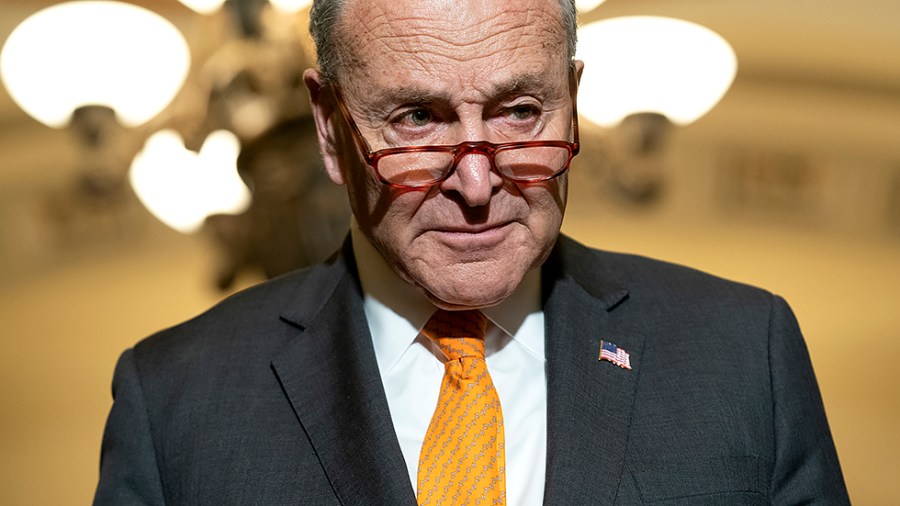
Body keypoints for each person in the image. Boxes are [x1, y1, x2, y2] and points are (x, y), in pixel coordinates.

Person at [93, 0, 850, 504]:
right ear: (328, 128)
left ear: (573, 98)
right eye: (418, 119)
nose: (479, 182)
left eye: (522, 111)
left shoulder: (745, 354)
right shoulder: (176, 403)